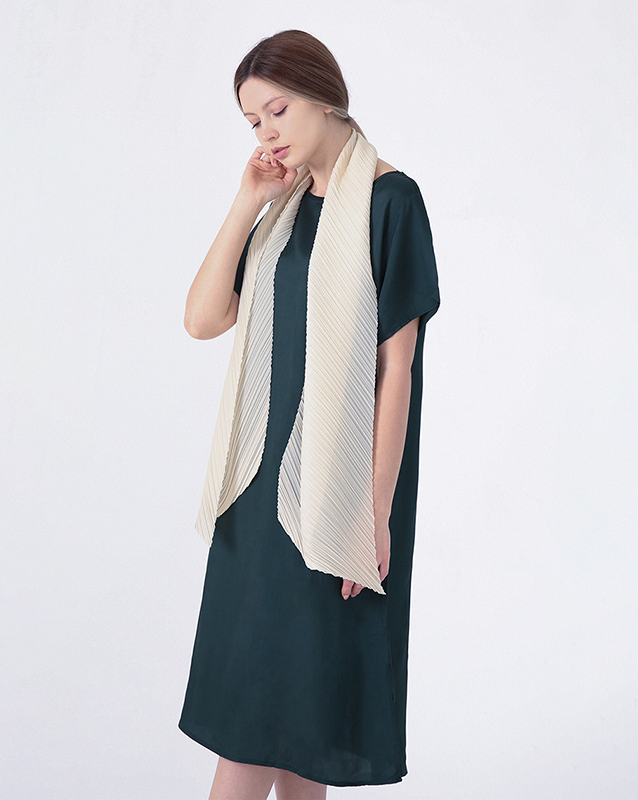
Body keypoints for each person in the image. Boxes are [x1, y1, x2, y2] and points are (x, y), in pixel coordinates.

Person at [179, 29, 440, 800]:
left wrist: (375, 512)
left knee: (300, 717)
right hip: (256, 493)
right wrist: (247, 202)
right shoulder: (283, 209)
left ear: (324, 95)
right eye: (252, 121)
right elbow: (202, 319)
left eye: (277, 109)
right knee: (272, 719)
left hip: (334, 494)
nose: (266, 132)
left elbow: (396, 370)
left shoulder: (390, 201)